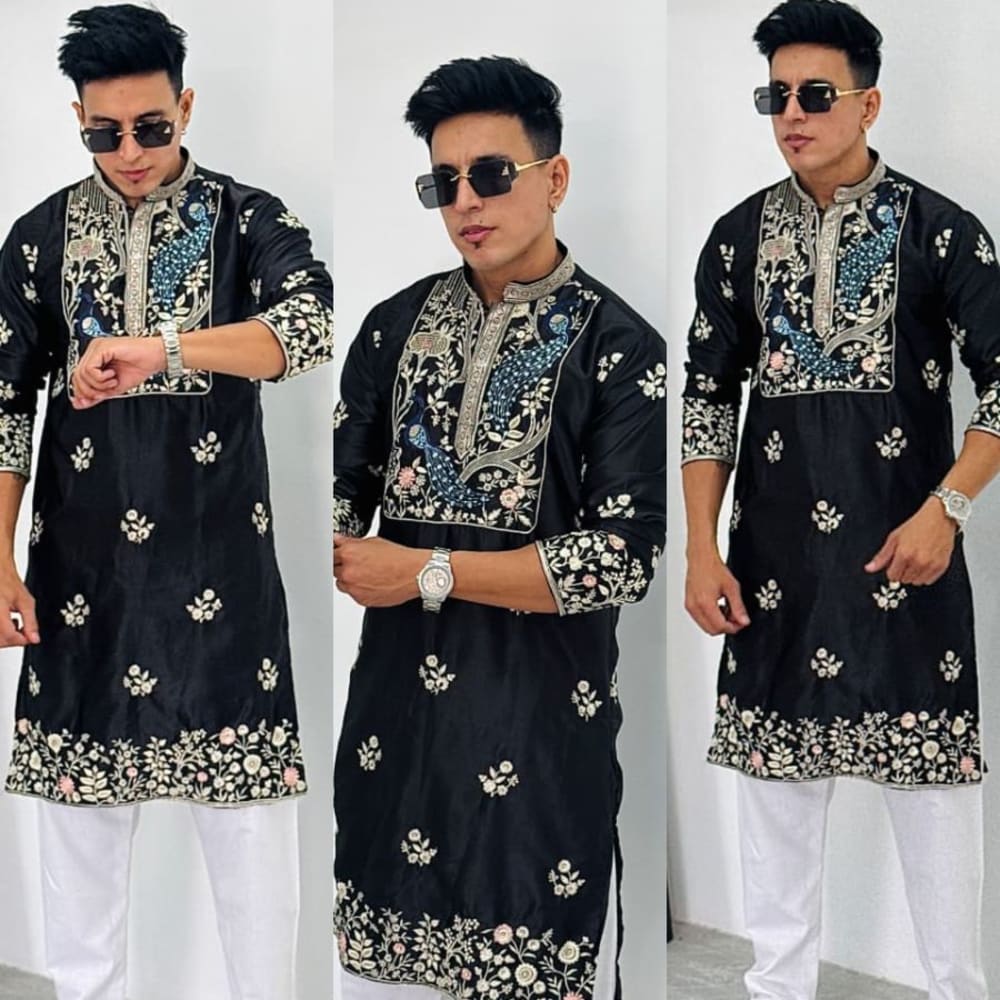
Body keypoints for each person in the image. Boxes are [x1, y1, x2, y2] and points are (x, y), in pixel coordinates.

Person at [0, 6, 332, 999]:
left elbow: (308, 326)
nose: (131, 152)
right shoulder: (39, 238)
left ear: (185, 106)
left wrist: (168, 347)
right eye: (105, 133)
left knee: (252, 849)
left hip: (220, 577)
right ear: (77, 121)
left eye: (151, 126)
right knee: (78, 851)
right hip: (81, 585)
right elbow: (4, 407)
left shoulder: (246, 221)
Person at [681, 2, 999, 998]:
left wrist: (948, 509)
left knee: (933, 792)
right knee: (773, 799)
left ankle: (956, 988)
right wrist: (700, 548)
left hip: (907, 555)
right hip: (772, 564)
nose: (792, 114)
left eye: (814, 94)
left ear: (869, 102)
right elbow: (705, 399)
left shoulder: (942, 232)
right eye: (775, 95)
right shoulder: (736, 239)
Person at [333, 55, 665, 1000]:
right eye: (444, 182)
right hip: (396, 734)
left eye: (491, 173)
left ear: (555, 179)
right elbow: (336, 494)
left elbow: (620, 560)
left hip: (543, 733)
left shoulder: (619, 346)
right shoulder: (391, 330)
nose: (467, 201)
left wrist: (424, 571)